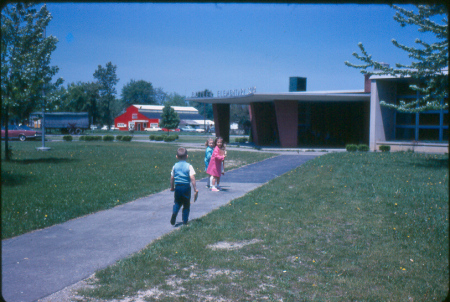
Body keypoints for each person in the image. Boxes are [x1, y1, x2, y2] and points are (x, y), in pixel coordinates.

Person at [170, 147, 198, 225]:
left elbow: (172, 178)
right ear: (187, 156)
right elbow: (192, 177)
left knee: (177, 202)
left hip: (178, 187)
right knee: (186, 204)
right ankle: (185, 220)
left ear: (176, 157)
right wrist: (195, 188)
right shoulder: (189, 166)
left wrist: (172, 187)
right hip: (186, 187)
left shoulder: (175, 166)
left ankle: (174, 213)